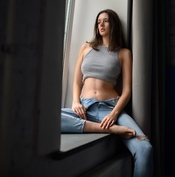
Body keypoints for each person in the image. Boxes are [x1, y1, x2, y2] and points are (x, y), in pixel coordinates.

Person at [61, 9, 153, 177]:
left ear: (114, 25)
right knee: (50, 118)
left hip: (110, 109)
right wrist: (75, 102)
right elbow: (76, 82)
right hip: (85, 110)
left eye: (106, 21)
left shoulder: (124, 53)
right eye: (98, 22)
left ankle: (111, 126)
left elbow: (127, 90)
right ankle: (110, 130)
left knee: (145, 148)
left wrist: (113, 114)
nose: (101, 25)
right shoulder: (86, 47)